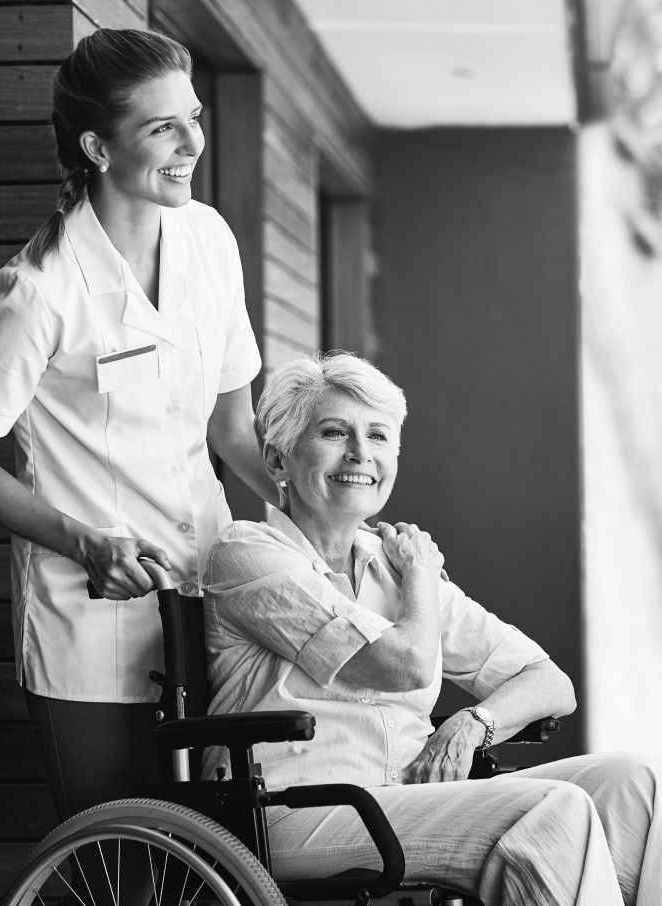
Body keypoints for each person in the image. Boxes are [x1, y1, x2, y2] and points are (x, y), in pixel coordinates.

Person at [0, 27, 275, 828]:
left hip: (214, 601)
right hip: (91, 625)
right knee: (122, 861)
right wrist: (86, 541)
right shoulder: (35, 294)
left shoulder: (209, 241)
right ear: (96, 145)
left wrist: (322, 522)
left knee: (225, 853)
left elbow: (234, 429)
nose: (193, 141)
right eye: (162, 127)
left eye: (193, 116)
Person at [203, 351, 661, 905]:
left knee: (634, 784)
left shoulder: (389, 559)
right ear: (278, 460)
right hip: (295, 809)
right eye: (333, 432)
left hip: (410, 798)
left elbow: (549, 683)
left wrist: (474, 722)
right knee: (550, 811)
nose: (360, 454)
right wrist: (421, 577)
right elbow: (405, 665)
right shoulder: (250, 554)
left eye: (377, 436)